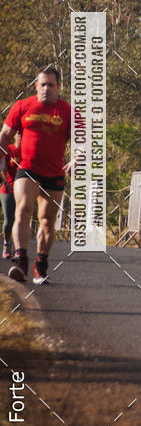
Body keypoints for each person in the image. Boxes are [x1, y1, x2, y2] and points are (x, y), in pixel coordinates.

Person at [0, 68, 71, 284]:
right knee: (22, 208)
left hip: (54, 174)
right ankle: (19, 259)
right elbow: (4, 135)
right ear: (36, 86)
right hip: (27, 169)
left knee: (47, 222)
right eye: (43, 84)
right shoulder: (22, 106)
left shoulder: (68, 111)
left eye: (51, 84)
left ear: (58, 87)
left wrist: (77, 158)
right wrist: (2, 160)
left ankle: (41, 265)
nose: (46, 88)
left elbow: (83, 141)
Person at [1, 133, 21, 259]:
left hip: (23, 191)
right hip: (8, 189)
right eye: (19, 134)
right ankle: (6, 244)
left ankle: (19, 249)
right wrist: (6, 183)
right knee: (9, 220)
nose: (21, 136)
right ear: (14, 136)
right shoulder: (9, 149)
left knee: (20, 220)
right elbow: (2, 168)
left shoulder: (27, 151)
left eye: (22, 134)